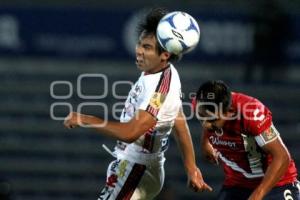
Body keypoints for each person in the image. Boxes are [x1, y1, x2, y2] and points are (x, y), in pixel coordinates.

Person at [64, 7, 212, 200]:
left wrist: (85, 119)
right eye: (139, 44)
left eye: (147, 47)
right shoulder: (164, 73)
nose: (139, 51)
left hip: (137, 170)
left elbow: (131, 133)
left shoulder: (159, 88)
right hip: (139, 166)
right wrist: (191, 168)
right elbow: (179, 121)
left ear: (165, 54)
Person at [193, 80, 299, 200]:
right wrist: (205, 141)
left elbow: (282, 156)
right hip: (237, 184)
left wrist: (257, 195)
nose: (206, 125)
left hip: (277, 184)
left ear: (230, 112)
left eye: (212, 120)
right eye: (201, 118)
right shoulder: (200, 103)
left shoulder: (252, 113)